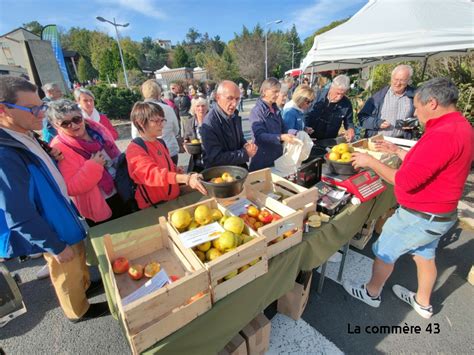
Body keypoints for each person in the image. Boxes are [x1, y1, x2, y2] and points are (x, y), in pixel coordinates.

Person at [344, 78, 473, 319]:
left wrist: (370, 161)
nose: (415, 111)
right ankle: (423, 303)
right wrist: (399, 152)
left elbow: (403, 181)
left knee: (384, 250)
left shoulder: (442, 134)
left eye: (417, 105)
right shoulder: (461, 126)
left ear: (432, 103)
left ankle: (371, 293)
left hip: (419, 215)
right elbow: (433, 163)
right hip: (441, 214)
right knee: (425, 254)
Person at [0, 76, 109, 322]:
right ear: (3, 110)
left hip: (62, 213)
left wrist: (52, 156)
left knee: (78, 259)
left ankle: (84, 287)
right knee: (65, 269)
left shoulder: (24, 133)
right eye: (33, 108)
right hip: (51, 226)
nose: (41, 113)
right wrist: (53, 245)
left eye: (41, 106)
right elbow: (17, 214)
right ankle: (77, 310)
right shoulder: (4, 155)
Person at [48, 99, 129, 227]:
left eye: (76, 119)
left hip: (122, 189)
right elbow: (71, 187)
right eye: (65, 124)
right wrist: (94, 166)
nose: (74, 126)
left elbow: (115, 153)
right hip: (100, 203)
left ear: (82, 115)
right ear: (56, 126)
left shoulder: (97, 129)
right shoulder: (59, 148)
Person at [126, 101, 207, 209]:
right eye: (156, 121)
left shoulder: (160, 142)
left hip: (172, 199)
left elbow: (168, 166)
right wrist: (185, 179)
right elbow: (154, 175)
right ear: (140, 122)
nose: (161, 124)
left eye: (162, 120)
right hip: (154, 205)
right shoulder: (135, 149)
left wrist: (178, 171)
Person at [201, 80, 257, 169]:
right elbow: (215, 158)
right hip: (220, 177)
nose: (234, 104)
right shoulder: (209, 123)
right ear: (217, 97)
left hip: (237, 170)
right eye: (229, 98)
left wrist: (245, 144)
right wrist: (245, 153)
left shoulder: (234, 115)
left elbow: (239, 138)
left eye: (237, 99)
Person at [248, 78, 297, 172]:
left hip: (276, 158)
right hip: (262, 160)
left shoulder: (275, 109)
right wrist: (280, 137)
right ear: (265, 91)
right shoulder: (257, 111)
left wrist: (296, 133)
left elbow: (284, 128)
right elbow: (259, 135)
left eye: (278, 91)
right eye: (275, 91)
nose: (278, 94)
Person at [359, 64, 416, 138]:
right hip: (378, 141)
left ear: (409, 81)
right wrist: (377, 123)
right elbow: (362, 118)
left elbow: (424, 118)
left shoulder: (414, 96)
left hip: (401, 141)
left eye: (402, 80)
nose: (398, 83)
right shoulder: (378, 97)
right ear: (391, 78)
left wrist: (413, 123)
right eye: (396, 79)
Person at [133, 80, 181, 164]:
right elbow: (176, 130)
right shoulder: (168, 108)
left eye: (162, 121)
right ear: (158, 92)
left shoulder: (138, 111)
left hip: (151, 152)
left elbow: (135, 135)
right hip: (169, 149)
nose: (161, 125)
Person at [304, 74, 355, 143]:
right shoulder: (317, 95)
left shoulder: (346, 103)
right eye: (338, 93)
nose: (339, 97)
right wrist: (304, 128)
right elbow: (304, 113)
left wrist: (350, 129)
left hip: (328, 140)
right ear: (331, 87)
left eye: (343, 94)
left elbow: (349, 122)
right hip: (308, 136)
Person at [183, 96, 209, 172]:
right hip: (196, 162)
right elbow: (185, 139)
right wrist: (186, 146)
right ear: (194, 108)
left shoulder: (213, 122)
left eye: (203, 106)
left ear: (206, 107)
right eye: (198, 106)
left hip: (211, 161)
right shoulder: (189, 123)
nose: (201, 109)